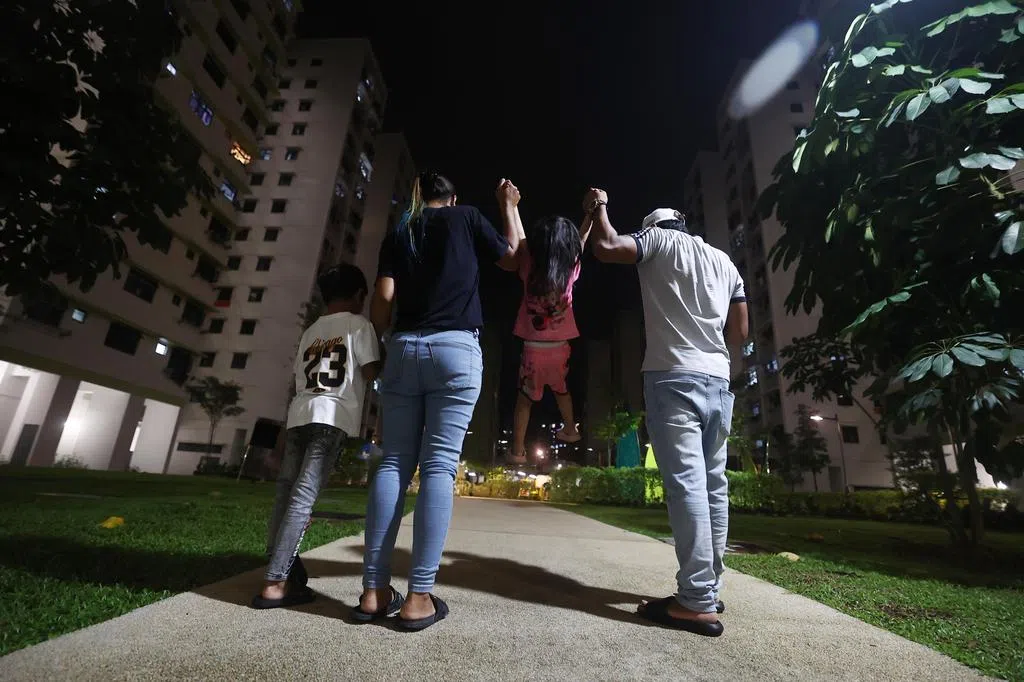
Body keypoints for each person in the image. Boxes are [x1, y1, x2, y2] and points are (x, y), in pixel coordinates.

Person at [354, 171, 519, 630]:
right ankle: (418, 597)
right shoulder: (466, 218)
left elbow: (383, 299)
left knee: (393, 463)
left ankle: (373, 592)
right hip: (455, 349)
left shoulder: (400, 229)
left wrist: (384, 345)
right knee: (439, 467)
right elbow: (513, 260)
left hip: (404, 348)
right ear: (453, 197)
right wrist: (508, 206)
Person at [587, 189, 748, 638]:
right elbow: (740, 331)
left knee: (687, 487)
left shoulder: (658, 240)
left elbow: (606, 246)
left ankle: (695, 601)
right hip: (718, 379)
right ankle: (709, 589)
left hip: (673, 377)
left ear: (654, 227)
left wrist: (599, 206)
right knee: (714, 486)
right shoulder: (725, 262)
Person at [252, 264, 380, 609]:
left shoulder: (311, 330)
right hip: (331, 417)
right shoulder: (359, 325)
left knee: (285, 493)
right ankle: (276, 582)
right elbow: (371, 371)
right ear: (359, 295)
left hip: (301, 415)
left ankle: (280, 568)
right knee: (303, 499)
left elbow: (298, 383)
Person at [501, 186, 591, 462]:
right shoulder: (570, 269)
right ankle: (570, 428)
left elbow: (521, 240)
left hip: (533, 348)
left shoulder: (529, 265)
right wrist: (589, 216)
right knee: (562, 389)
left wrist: (513, 207)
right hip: (560, 347)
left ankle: (518, 449)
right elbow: (581, 241)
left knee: (525, 399)